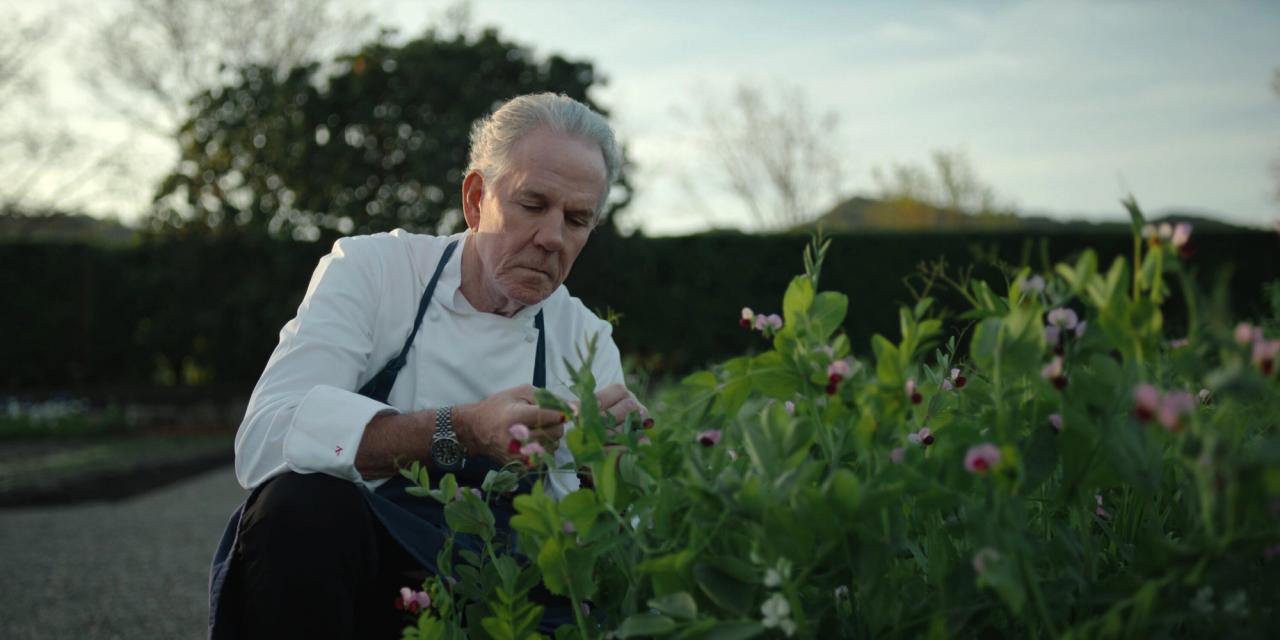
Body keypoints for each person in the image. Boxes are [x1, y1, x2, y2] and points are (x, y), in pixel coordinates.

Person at [207, 92, 646, 639]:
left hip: (505, 593)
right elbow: (267, 439)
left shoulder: (585, 338)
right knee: (298, 505)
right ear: (475, 198)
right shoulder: (375, 271)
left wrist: (617, 472)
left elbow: (601, 538)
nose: (552, 238)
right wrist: (461, 429)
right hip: (367, 577)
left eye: (577, 219)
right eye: (533, 205)